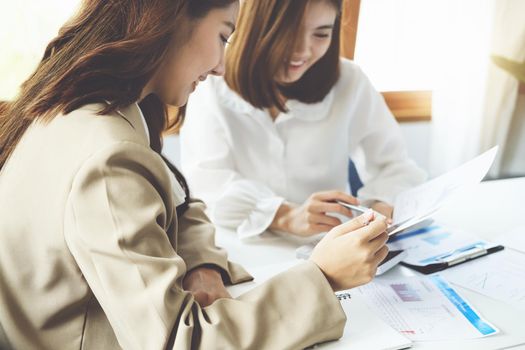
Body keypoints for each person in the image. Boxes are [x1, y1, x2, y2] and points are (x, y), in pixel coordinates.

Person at [0, 1, 389, 349]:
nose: (220, 66)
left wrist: (203, 266)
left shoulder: (85, 109)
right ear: (170, 18)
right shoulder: (109, 156)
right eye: (223, 36)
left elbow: (181, 202)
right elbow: (180, 340)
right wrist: (323, 277)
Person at [180, 0, 427, 239]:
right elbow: (206, 182)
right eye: (289, 31)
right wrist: (285, 215)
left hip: (328, 245)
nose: (302, 51)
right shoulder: (211, 82)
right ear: (257, 25)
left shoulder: (350, 81)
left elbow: (394, 166)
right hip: (242, 246)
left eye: (320, 34)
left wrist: (383, 205)